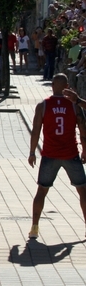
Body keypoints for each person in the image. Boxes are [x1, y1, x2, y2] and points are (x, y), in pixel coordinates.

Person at [29, 75, 86, 239]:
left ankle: (34, 227)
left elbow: (36, 130)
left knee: (41, 190)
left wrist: (32, 152)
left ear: (52, 85)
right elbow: (83, 130)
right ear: (67, 86)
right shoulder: (75, 106)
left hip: (49, 154)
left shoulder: (43, 105)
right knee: (82, 190)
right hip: (71, 154)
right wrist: (85, 151)